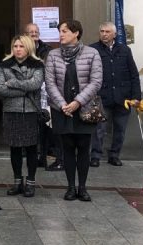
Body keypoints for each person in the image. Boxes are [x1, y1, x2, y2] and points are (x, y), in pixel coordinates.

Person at [45, 19, 104, 201]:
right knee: (67, 148)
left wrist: (77, 102)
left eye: (65, 31)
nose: (61, 34)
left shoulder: (92, 53)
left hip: (84, 108)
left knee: (83, 147)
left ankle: (83, 188)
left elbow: (96, 81)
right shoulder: (53, 55)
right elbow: (50, 82)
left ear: (76, 33)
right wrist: (63, 104)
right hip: (62, 108)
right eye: (60, 31)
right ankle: (70, 187)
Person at [0, 35, 44, 197]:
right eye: (15, 46)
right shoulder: (5, 65)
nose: (17, 49)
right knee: (14, 148)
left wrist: (13, 83)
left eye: (21, 46)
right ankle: (17, 181)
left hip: (29, 111)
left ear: (28, 48)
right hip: (11, 111)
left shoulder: (37, 65)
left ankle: (30, 182)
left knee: (30, 148)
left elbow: (35, 84)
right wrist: (24, 89)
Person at [90, 22, 141, 167]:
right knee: (98, 129)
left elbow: (134, 75)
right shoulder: (92, 49)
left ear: (114, 34)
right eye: (102, 31)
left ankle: (114, 155)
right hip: (101, 96)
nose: (104, 34)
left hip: (123, 97)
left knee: (120, 129)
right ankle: (95, 156)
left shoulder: (124, 50)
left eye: (107, 32)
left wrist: (136, 97)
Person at [25, 21, 59, 170]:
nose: (34, 34)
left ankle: (44, 154)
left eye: (36, 31)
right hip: (27, 93)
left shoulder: (47, 50)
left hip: (44, 93)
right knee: (30, 125)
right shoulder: (20, 49)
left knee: (46, 125)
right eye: (30, 32)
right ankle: (32, 151)